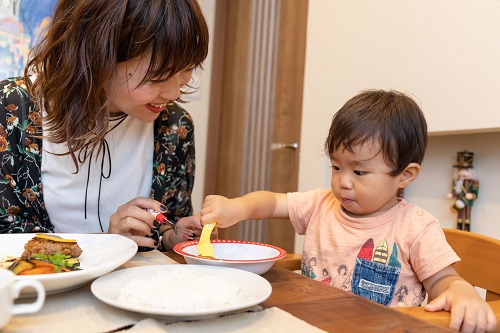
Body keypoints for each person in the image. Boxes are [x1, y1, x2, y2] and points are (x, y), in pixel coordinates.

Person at [200, 90, 496, 332]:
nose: (343, 182)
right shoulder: (321, 204)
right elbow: (272, 202)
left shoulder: (416, 228)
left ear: (405, 176)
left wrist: (461, 291)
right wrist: (236, 207)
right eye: (336, 167)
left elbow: (443, 280)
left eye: (360, 172)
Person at [0, 0, 216, 251]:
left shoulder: (175, 126)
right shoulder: (13, 109)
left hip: (132, 289)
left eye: (187, 69)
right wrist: (107, 242)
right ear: (98, 55)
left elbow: (168, 222)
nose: (173, 92)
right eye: (158, 76)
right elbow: (6, 237)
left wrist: (172, 236)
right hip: (35, 289)